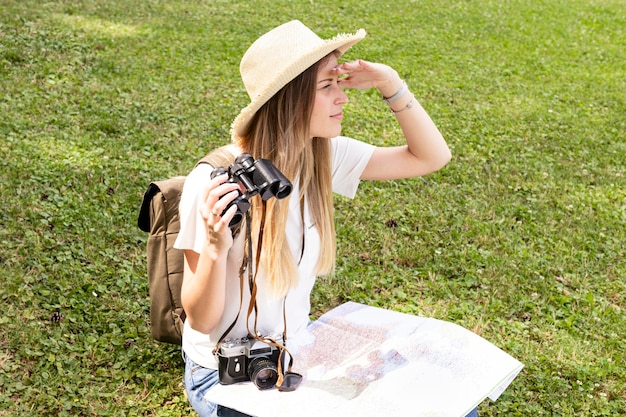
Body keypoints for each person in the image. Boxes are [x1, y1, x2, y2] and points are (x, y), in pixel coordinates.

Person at [175, 20, 475, 417]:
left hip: (297, 354)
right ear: (289, 100)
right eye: (326, 87)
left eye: (338, 84)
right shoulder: (216, 182)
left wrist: (391, 84)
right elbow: (200, 320)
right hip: (228, 375)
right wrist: (214, 250)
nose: (343, 99)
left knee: (448, 407)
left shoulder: (320, 157)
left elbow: (431, 157)